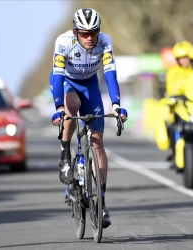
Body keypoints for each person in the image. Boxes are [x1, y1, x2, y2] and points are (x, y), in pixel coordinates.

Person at [50, 8, 128, 229]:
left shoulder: (104, 41)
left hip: (91, 85)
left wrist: (116, 105)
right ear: (75, 32)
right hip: (67, 82)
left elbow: (110, 73)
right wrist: (59, 108)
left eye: (93, 32)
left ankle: (101, 202)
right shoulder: (63, 42)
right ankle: (66, 153)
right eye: (84, 33)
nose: (89, 38)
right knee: (72, 107)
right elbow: (56, 76)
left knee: (98, 141)